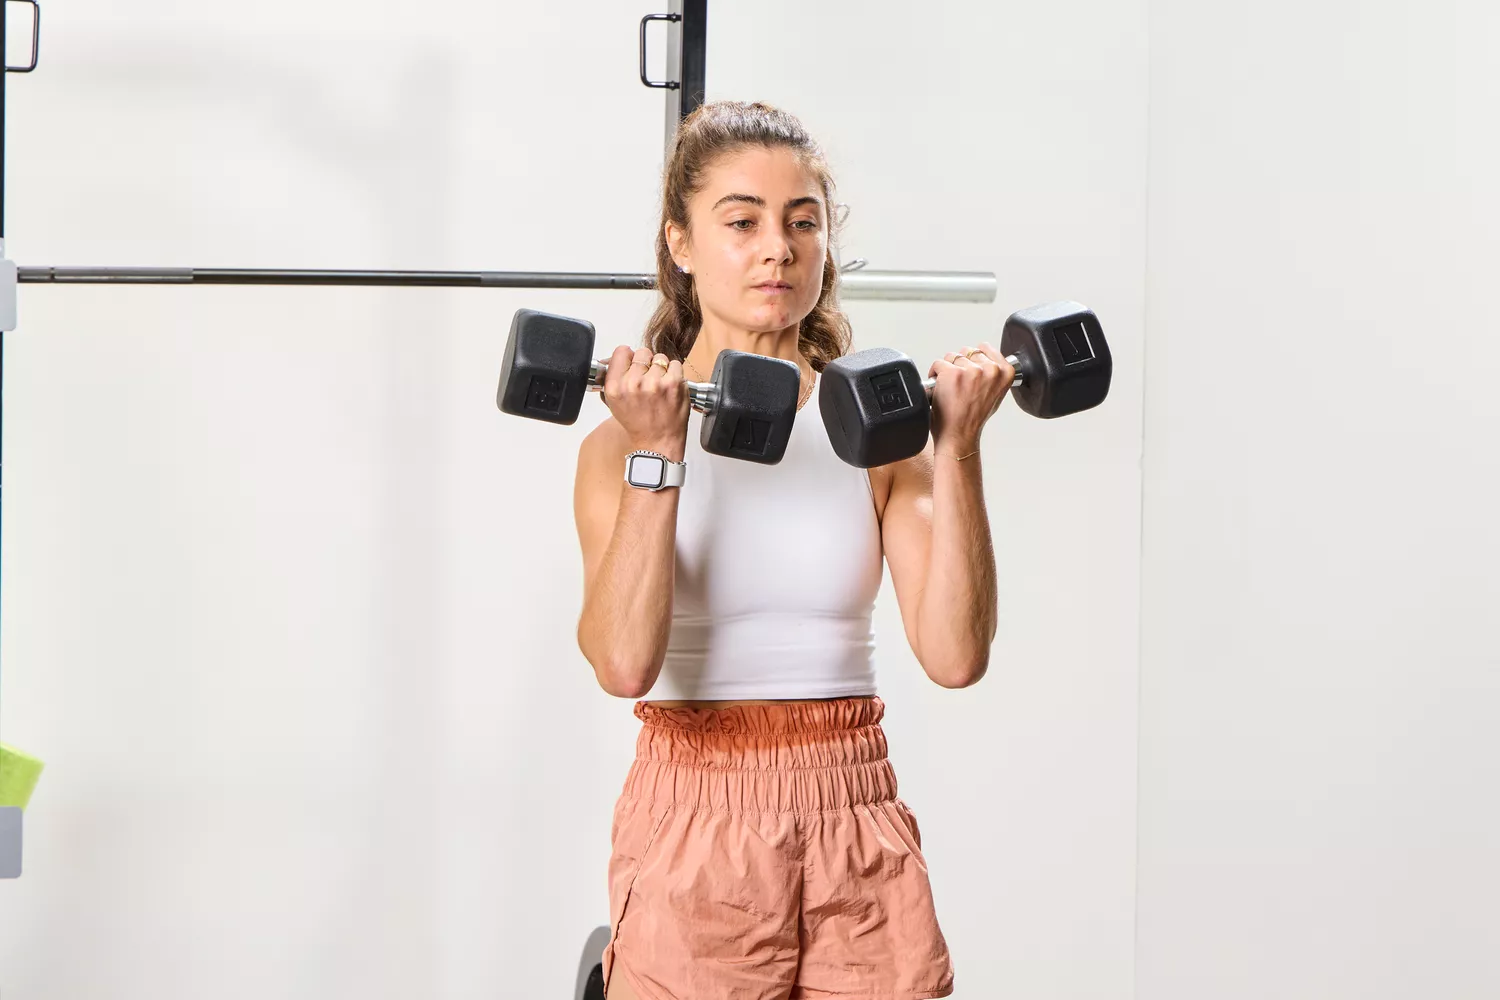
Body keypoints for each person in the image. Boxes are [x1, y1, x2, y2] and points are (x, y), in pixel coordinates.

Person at [573, 101, 1011, 1000]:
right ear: (681, 245)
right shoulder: (621, 443)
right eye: (742, 222)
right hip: (696, 806)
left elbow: (957, 656)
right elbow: (622, 663)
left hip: (855, 805)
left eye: (801, 222)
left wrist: (955, 448)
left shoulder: (877, 440)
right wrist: (661, 452)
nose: (777, 247)